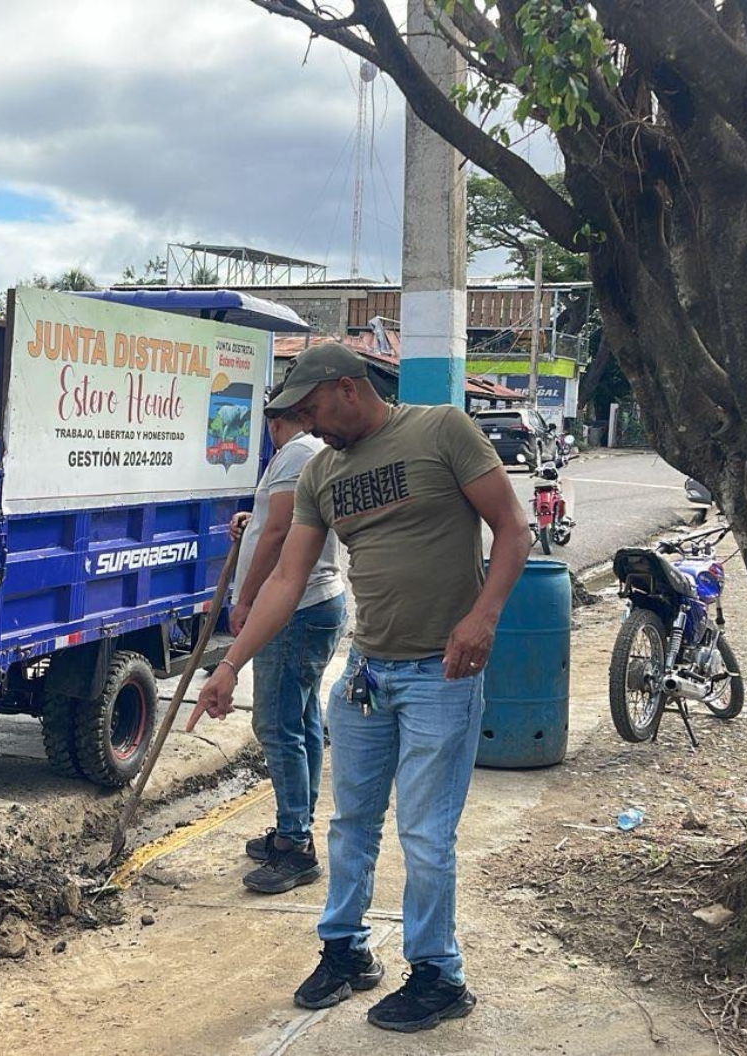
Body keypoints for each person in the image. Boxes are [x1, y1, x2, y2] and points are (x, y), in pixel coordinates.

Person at [195, 342, 529, 1034]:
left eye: (315, 410)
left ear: (347, 389)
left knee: (425, 834)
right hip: (366, 672)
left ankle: (439, 974)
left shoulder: (441, 430)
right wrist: (230, 664)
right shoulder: (321, 472)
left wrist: (483, 617)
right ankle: (344, 951)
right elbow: (288, 579)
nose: (312, 426)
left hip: (442, 671)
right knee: (349, 823)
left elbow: (512, 528)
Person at [231, 411, 345, 895]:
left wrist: (247, 600)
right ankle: (291, 828)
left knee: (277, 725)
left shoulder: (297, 453)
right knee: (301, 722)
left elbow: (278, 535)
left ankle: (296, 845)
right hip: (317, 603)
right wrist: (252, 518)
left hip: (294, 611)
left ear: (277, 420)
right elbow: (279, 521)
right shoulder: (309, 454)